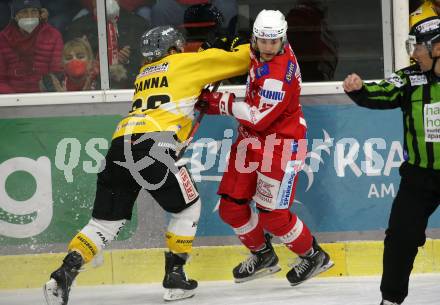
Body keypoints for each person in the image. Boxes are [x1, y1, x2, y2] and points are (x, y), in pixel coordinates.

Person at [43, 26, 249, 305]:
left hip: (119, 145)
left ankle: (63, 273)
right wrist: (235, 46)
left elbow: (185, 79)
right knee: (188, 206)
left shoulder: (144, 73)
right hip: (155, 145)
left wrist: (208, 54)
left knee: (104, 223)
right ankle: (175, 276)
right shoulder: (184, 62)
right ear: (174, 48)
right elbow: (245, 58)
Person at [196, 9, 334, 286]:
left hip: (281, 147)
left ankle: (313, 255)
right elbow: (245, 54)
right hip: (249, 142)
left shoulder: (278, 74)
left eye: (273, 41)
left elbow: (259, 117)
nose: (268, 47)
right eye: (263, 41)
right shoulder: (258, 48)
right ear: (256, 39)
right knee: (230, 208)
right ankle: (263, 255)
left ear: (282, 39)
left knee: (272, 216)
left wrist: (218, 102)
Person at [343, 16, 440, 305]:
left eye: (418, 47)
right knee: (400, 238)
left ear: (438, 48)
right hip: (419, 177)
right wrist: (360, 89)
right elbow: (383, 92)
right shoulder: (411, 78)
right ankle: (391, 299)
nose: (413, 54)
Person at [65, 0, 146, 89]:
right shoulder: (78, 27)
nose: (106, 1)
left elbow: (142, 59)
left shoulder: (138, 24)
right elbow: (72, 61)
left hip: (129, 84)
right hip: (93, 85)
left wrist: (128, 60)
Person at [0, 0, 63, 93]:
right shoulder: (3, 39)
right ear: (15, 16)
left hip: (44, 98)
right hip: (12, 100)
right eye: (24, 12)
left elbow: (57, 73)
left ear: (40, 14)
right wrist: (15, 99)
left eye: (33, 11)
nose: (29, 16)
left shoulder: (53, 36)